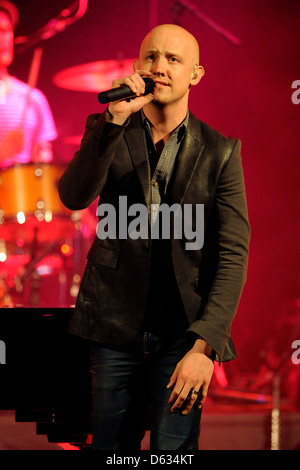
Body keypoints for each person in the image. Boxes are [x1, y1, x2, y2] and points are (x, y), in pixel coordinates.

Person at [58, 24, 250, 450]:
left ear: (196, 74)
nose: (159, 68)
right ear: (136, 66)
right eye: (151, 57)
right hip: (112, 329)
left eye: (173, 59)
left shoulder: (221, 151)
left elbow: (233, 254)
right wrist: (113, 122)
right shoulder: (110, 128)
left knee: (172, 455)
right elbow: (74, 196)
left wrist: (206, 347)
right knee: (112, 452)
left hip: (182, 337)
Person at [0, 1, 57, 168]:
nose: (3, 37)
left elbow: (43, 157)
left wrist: (41, 159)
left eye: (6, 30)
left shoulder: (33, 97)